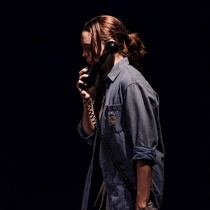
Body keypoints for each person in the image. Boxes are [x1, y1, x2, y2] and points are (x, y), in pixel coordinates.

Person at [76, 15, 165, 210]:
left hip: (132, 202)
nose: (84, 54)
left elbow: (144, 151)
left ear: (110, 46)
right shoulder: (108, 85)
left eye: (89, 47)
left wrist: (141, 206)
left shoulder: (131, 83)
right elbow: (91, 135)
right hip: (114, 200)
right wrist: (87, 99)